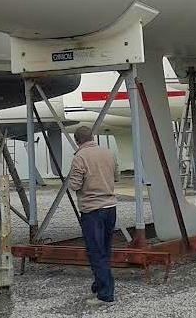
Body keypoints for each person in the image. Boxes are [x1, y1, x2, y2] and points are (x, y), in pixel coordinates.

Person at [68, 125, 119, 306]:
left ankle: (106, 294)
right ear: (92, 137)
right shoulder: (108, 153)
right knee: (105, 248)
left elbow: (74, 185)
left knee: (96, 252)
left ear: (77, 140)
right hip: (110, 207)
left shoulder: (79, 157)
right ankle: (99, 283)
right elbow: (117, 176)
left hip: (92, 210)